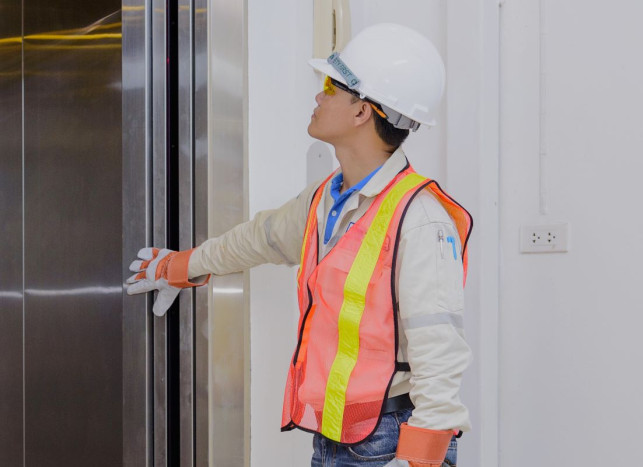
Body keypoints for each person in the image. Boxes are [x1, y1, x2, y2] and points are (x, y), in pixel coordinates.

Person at [127, 23, 473, 467]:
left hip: (389, 442)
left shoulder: (420, 219)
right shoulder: (326, 198)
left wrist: (419, 459)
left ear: (362, 112)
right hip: (336, 438)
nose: (318, 95)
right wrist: (182, 264)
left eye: (331, 86)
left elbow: (439, 350)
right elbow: (258, 238)